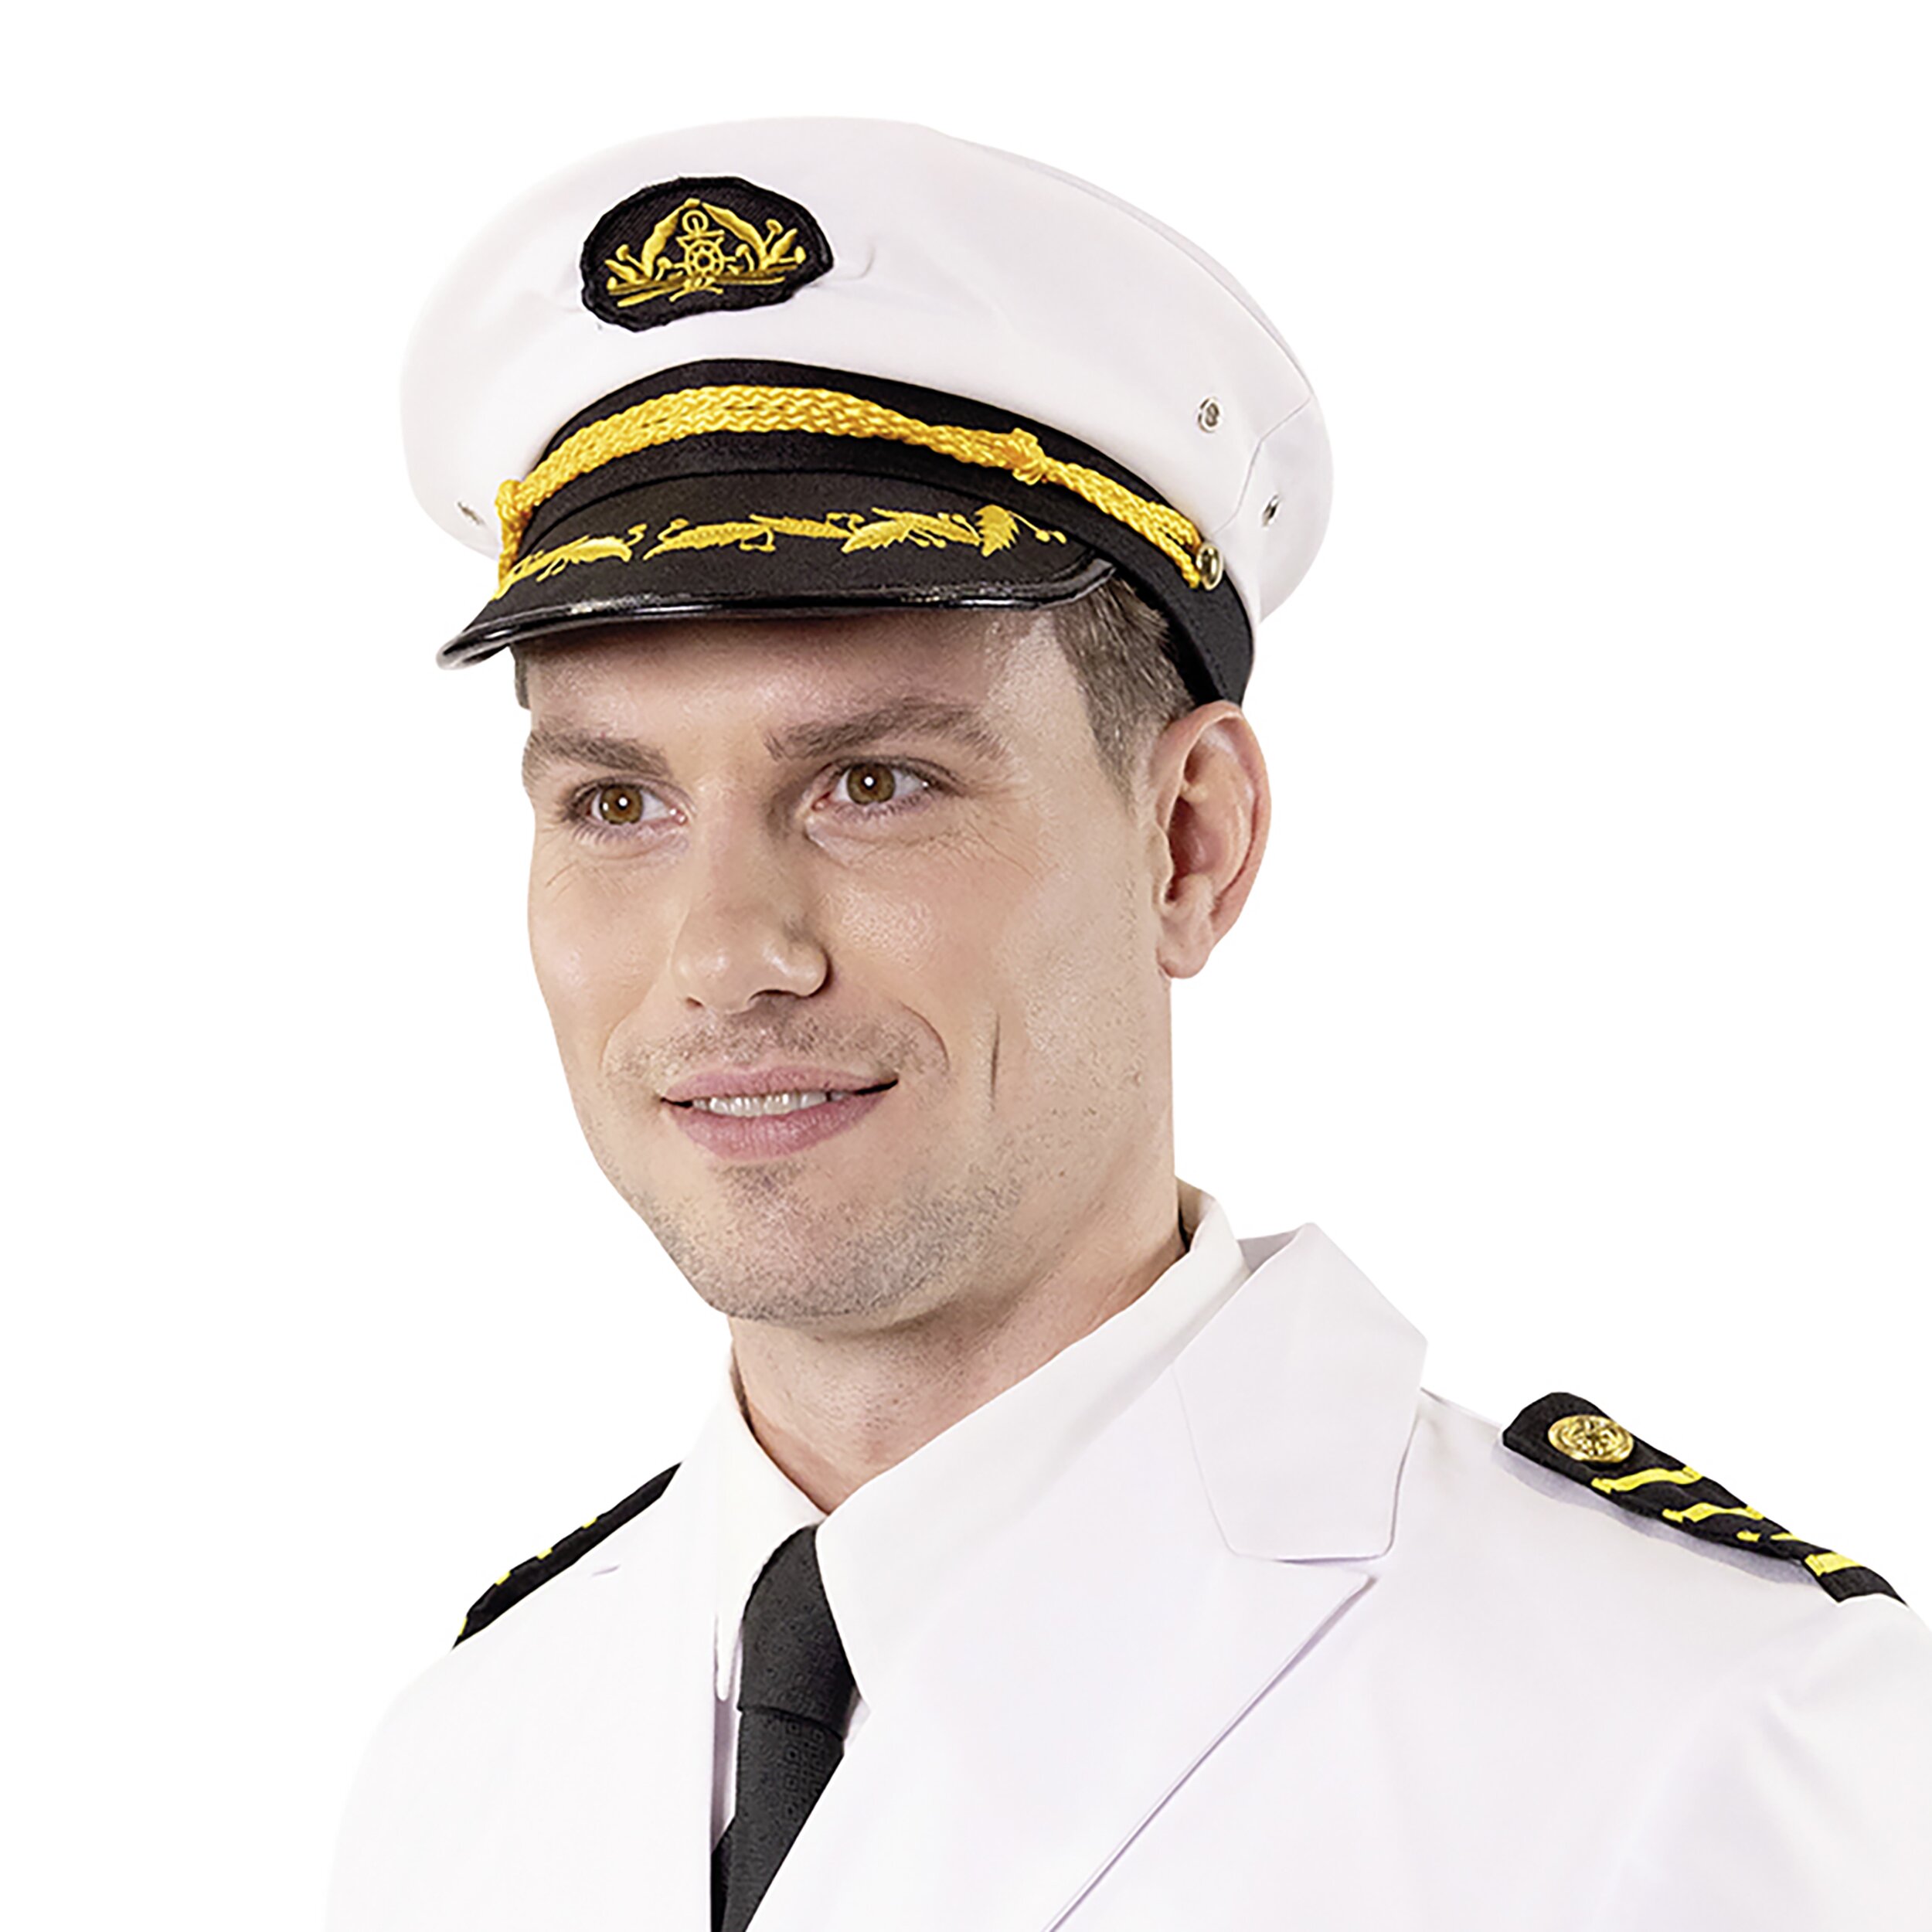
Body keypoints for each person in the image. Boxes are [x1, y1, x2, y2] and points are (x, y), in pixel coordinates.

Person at [328, 119, 1932, 1931]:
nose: (725, 954)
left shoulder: (1707, 1730)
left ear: (1188, 841)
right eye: (614, 803)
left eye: (873, 780)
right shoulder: (462, 1760)